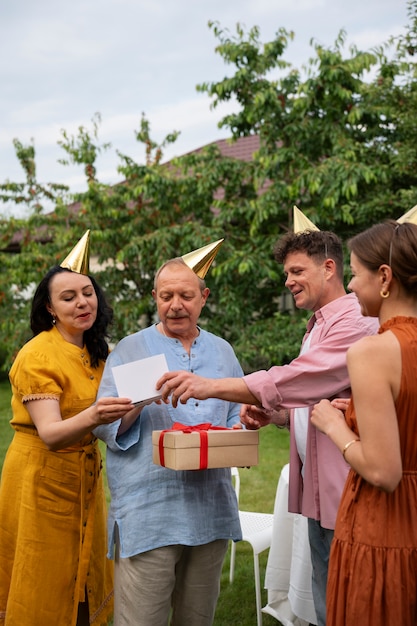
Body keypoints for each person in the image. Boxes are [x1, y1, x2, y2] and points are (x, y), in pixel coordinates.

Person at [157, 224, 378, 626]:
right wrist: (277, 414)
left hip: (349, 490)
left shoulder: (354, 322)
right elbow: (319, 398)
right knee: (327, 596)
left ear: (328, 268)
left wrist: (210, 387)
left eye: (296, 271)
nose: (289, 281)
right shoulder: (318, 324)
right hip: (321, 491)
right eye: (287, 274)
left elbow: (300, 378)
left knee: (349, 602)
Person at [93, 241, 243, 626]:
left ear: (204, 298)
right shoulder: (130, 350)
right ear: (155, 298)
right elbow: (105, 427)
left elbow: (236, 418)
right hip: (149, 513)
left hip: (210, 509)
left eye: (186, 295)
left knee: (197, 618)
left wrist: (243, 428)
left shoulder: (223, 352)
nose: (176, 304)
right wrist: (139, 402)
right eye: (166, 296)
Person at [0, 231, 135, 626]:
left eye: (88, 293)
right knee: (42, 576)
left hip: (85, 479)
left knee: (84, 573)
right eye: (69, 297)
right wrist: (96, 414)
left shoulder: (99, 352)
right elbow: (52, 433)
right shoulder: (37, 354)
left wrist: (142, 401)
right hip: (41, 478)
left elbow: (112, 423)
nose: (82, 303)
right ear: (50, 308)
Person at [310, 219, 417, 626]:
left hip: (386, 526)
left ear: (385, 278)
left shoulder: (372, 351)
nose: (351, 286)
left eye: (356, 273)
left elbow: (384, 471)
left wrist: (334, 426)